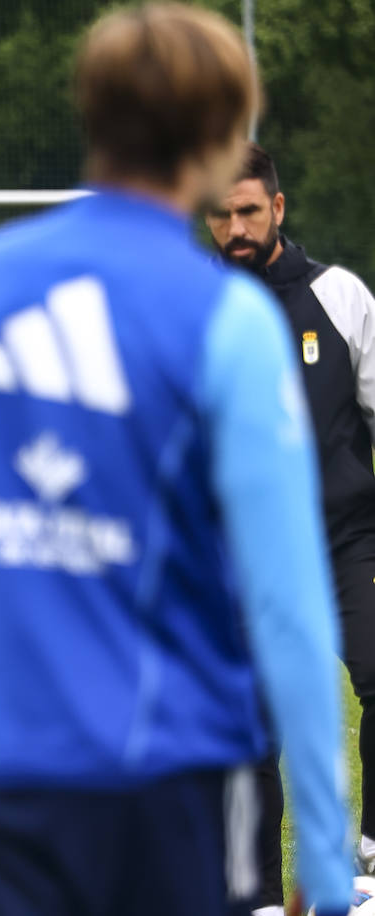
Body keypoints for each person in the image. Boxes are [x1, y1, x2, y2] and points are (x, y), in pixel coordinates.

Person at [0, 5, 351, 915]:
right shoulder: (227, 318)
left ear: (89, 113)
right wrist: (328, 862)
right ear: (221, 138)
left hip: (15, 777)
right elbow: (288, 604)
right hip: (181, 775)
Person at [207, 142, 375, 916]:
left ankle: (369, 859)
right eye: (221, 213)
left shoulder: (340, 297)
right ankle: (257, 898)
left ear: (277, 208)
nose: (235, 227)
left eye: (249, 210)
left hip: (346, 543)